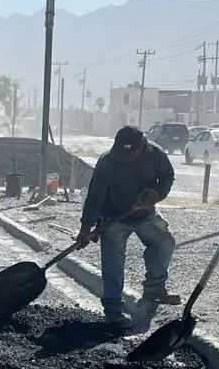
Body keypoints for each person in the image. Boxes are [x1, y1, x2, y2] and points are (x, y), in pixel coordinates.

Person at [75, 125, 179, 330]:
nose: (123, 158)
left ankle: (155, 288)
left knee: (164, 242)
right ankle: (113, 311)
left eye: (128, 154)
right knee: (112, 260)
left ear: (141, 147)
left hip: (145, 213)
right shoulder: (107, 162)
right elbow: (95, 196)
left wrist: (158, 193)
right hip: (114, 217)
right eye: (120, 153)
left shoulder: (155, 154)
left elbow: (168, 176)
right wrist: (86, 228)